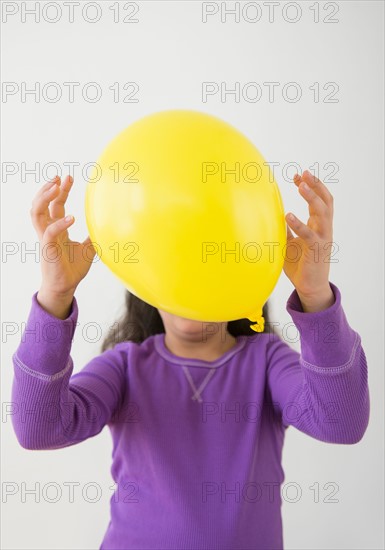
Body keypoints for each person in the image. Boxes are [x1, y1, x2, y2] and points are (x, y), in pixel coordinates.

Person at [11, 171, 370, 549]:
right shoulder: (125, 366)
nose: (190, 282)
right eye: (175, 264)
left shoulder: (265, 361)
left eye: (208, 264)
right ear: (147, 282)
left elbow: (342, 422)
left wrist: (315, 295)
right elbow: (38, 430)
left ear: (240, 277)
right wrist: (55, 295)